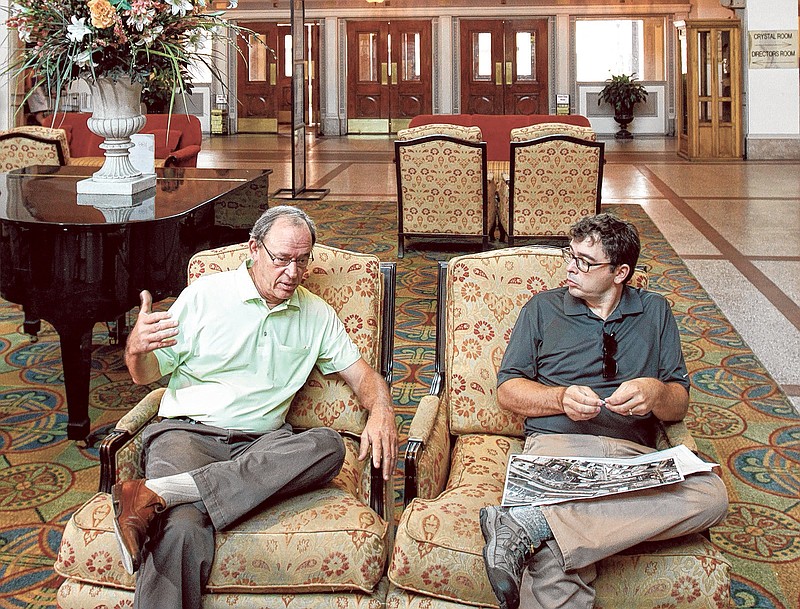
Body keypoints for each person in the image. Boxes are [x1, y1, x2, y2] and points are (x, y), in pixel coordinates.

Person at [114, 205, 397, 609]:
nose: (293, 272)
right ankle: (177, 497)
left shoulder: (316, 314)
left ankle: (160, 492)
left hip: (263, 443)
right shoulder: (204, 297)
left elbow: (364, 378)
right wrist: (136, 349)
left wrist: (382, 411)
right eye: (281, 259)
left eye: (302, 260)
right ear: (254, 249)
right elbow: (145, 374)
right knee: (180, 528)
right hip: (187, 434)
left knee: (329, 447)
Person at [480, 213, 728, 609]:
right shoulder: (542, 309)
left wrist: (656, 391)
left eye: (585, 261)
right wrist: (559, 398)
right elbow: (508, 391)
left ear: (620, 272)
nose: (570, 268)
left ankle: (533, 523)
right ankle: (549, 525)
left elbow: (678, 402)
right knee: (555, 564)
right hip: (558, 447)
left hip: (634, 459)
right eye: (570, 255)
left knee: (711, 494)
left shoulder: (655, 311)